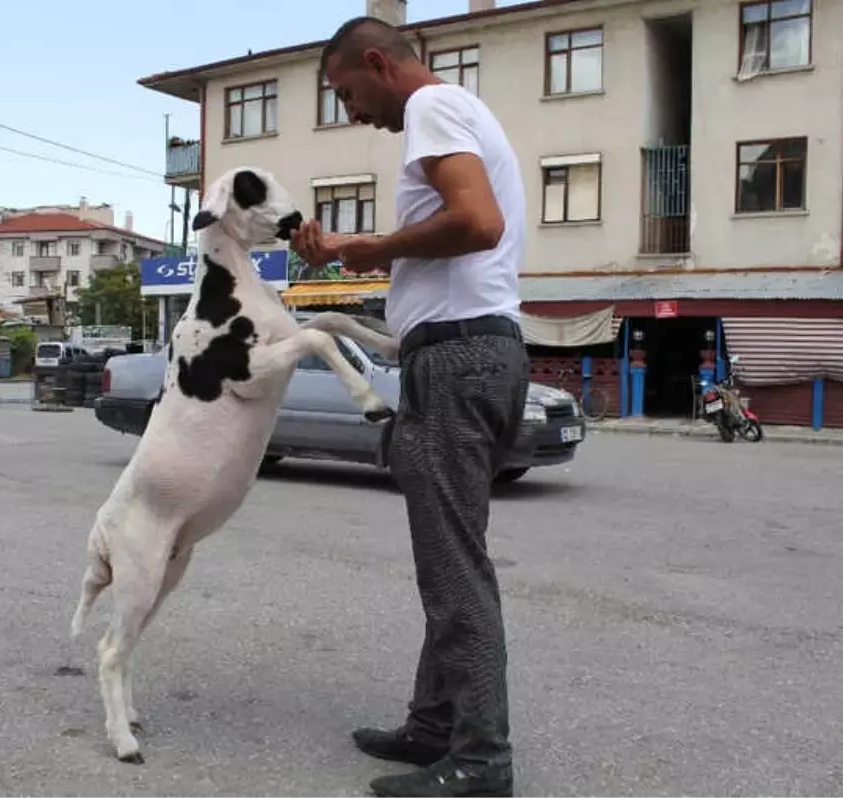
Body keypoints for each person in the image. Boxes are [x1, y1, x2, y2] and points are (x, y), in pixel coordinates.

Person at [290, 16, 529, 798]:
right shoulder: (456, 113)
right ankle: (433, 726)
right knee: (447, 561)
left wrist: (369, 248)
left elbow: (477, 222)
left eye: (347, 92)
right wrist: (355, 256)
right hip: (466, 356)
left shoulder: (432, 107)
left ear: (375, 62)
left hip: (460, 361)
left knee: (455, 572)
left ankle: (482, 762)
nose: (352, 110)